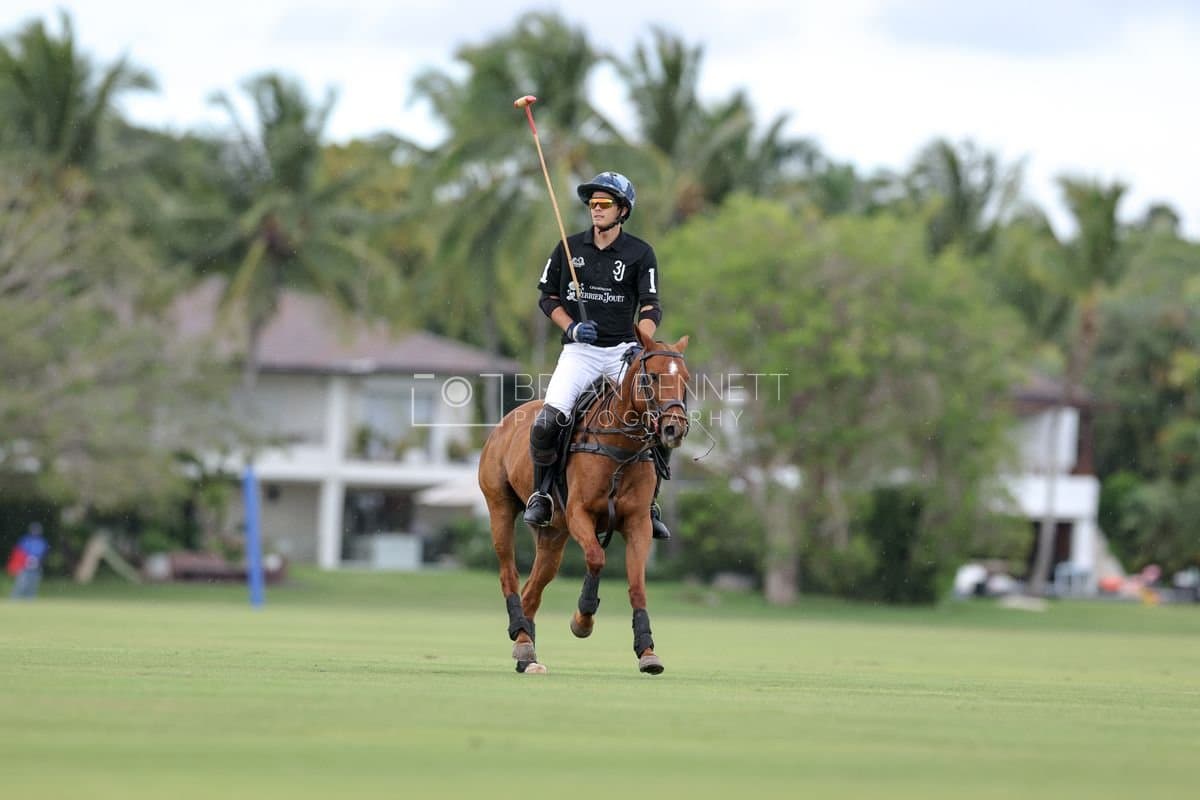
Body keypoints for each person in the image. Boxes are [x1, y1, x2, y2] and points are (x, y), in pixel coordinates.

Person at [524, 171, 672, 540]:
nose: (596, 209)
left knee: (660, 420)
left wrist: (643, 342)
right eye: (592, 203)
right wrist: (571, 328)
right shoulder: (568, 247)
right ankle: (542, 494)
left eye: (604, 203)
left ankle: (650, 502)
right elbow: (549, 298)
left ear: (623, 210)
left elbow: (651, 307)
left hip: (624, 351)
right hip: (580, 353)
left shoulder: (641, 253)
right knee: (547, 422)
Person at [9, 522, 48, 600]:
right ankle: (15, 600)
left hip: (36, 567)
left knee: (33, 585)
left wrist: (38, 561)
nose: (35, 532)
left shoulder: (42, 542)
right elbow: (19, 552)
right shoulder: (25, 540)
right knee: (21, 584)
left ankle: (30, 601)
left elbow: (44, 554)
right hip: (24, 566)